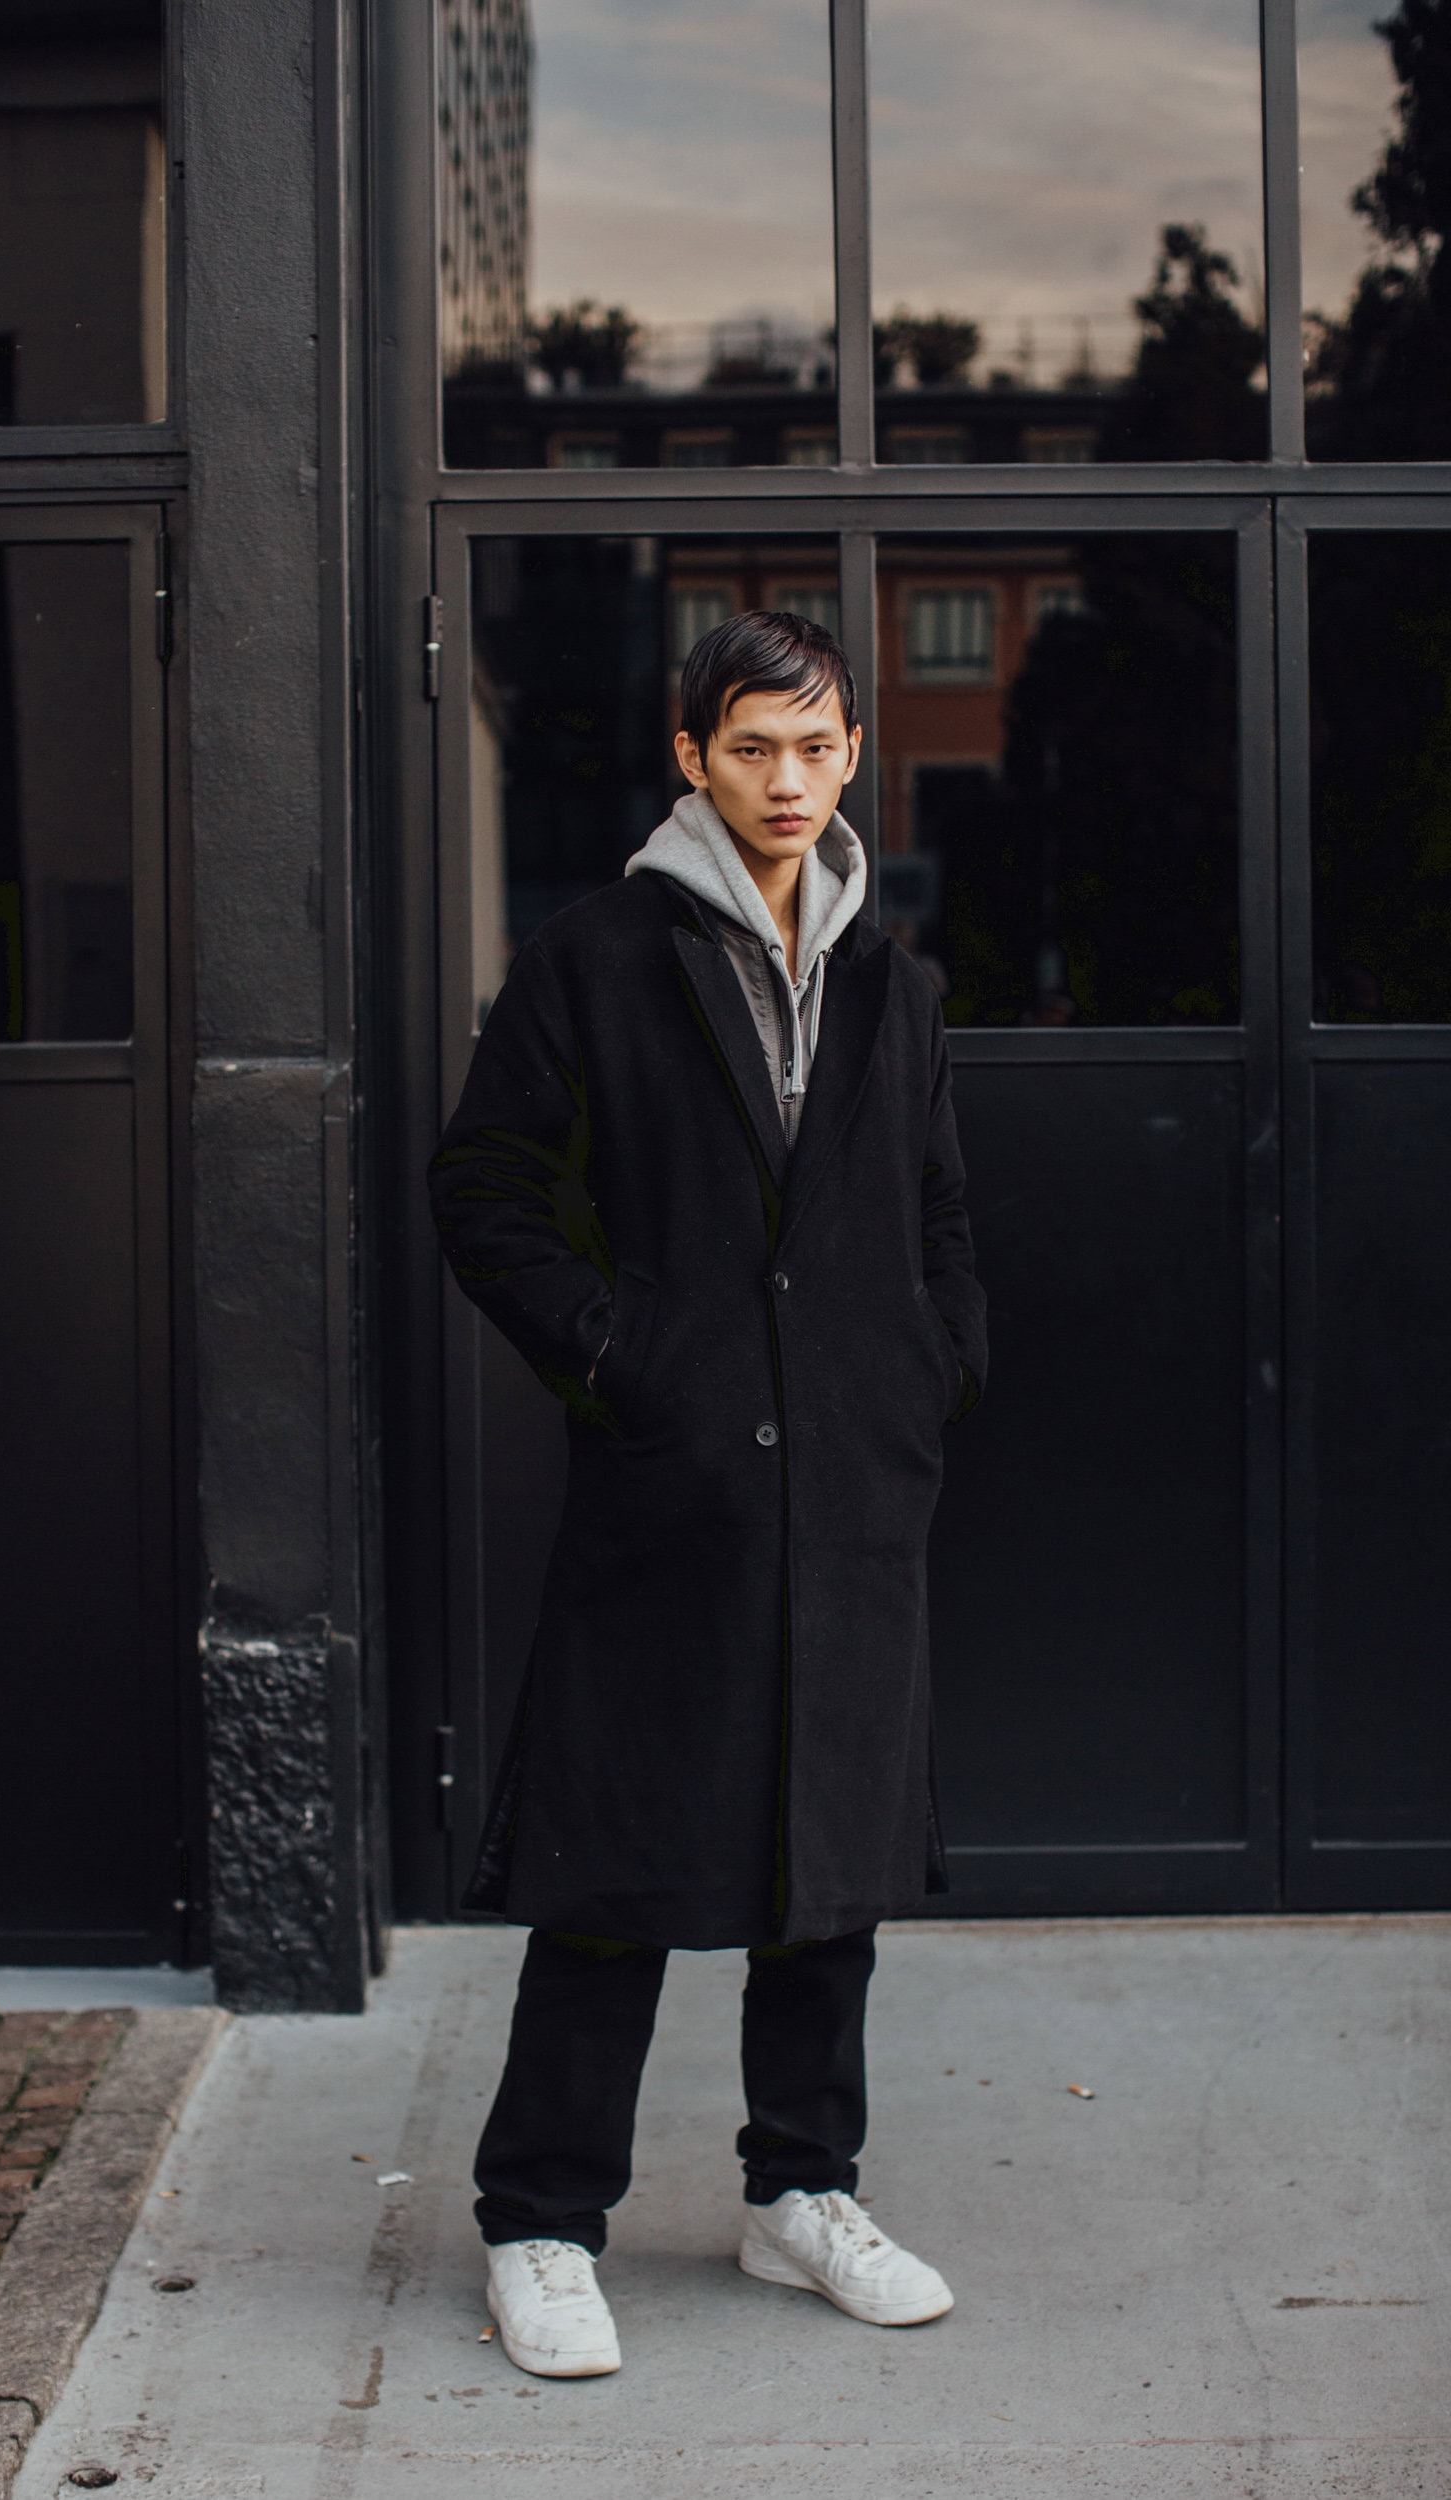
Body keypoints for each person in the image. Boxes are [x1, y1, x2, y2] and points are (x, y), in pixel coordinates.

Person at [428, 609, 987, 2379]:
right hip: (673, 1483)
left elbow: (936, 1212)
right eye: (753, 747)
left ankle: (800, 2193)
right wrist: (621, 1360)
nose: (788, 780)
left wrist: (930, 1371)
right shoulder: (597, 956)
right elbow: (485, 1186)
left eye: (816, 747)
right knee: (616, 1861)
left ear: (852, 754)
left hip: (855, 1489)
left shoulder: (894, 981)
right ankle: (538, 2222)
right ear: (693, 757)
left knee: (833, 1865)